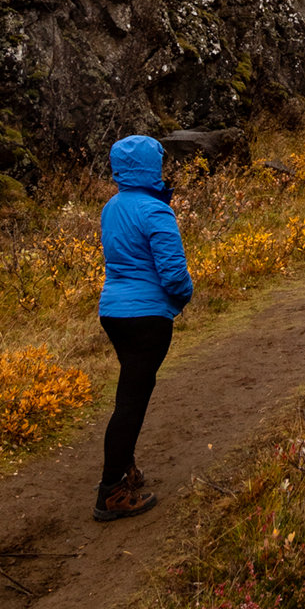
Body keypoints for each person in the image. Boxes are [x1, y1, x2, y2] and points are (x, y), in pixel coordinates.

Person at [93, 134, 194, 521]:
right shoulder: (155, 212)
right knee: (131, 402)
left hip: (114, 313)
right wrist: (180, 300)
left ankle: (125, 471)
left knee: (130, 394)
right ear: (151, 166)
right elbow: (173, 274)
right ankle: (111, 491)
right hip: (147, 317)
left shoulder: (111, 207)